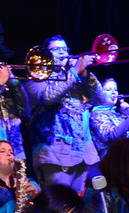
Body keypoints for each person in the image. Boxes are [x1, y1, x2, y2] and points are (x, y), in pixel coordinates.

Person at [25, 35, 105, 193]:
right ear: (44, 54)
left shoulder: (75, 79)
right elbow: (48, 97)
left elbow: (101, 100)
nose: (62, 53)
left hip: (83, 155)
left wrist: (86, 75)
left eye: (64, 49)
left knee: (82, 205)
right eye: (56, 49)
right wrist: (74, 72)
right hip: (54, 155)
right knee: (59, 203)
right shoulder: (35, 79)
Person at [89, 78, 129, 156]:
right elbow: (111, 136)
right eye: (108, 90)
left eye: (115, 90)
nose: (114, 92)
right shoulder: (96, 114)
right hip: (112, 157)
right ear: (98, 93)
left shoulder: (117, 113)